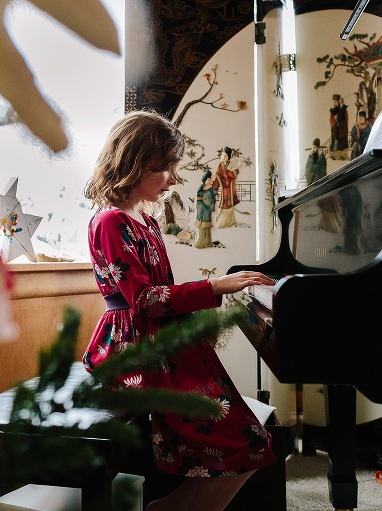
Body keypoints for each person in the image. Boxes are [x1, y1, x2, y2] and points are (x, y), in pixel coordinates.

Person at [82, 110, 277, 511]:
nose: (173, 179)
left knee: (251, 437)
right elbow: (144, 299)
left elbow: (160, 293)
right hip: (136, 347)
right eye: (165, 168)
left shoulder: (145, 220)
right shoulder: (111, 221)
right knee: (247, 439)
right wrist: (215, 286)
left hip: (161, 339)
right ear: (136, 163)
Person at [213, 146, 240, 228]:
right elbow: (218, 176)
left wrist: (229, 171)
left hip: (229, 188)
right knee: (223, 202)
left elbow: (233, 175)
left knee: (227, 203)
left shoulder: (231, 165)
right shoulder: (221, 165)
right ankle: (226, 221)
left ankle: (227, 222)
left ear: (229, 157)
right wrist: (214, 187)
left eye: (225, 156)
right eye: (222, 155)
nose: (223, 157)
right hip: (224, 187)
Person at [194, 170, 217, 248]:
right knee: (201, 226)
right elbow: (198, 198)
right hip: (200, 210)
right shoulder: (201, 188)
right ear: (205, 180)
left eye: (210, 179)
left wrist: (211, 206)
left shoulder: (211, 190)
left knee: (206, 226)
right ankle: (202, 240)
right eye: (209, 179)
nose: (210, 181)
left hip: (206, 210)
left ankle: (207, 241)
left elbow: (211, 200)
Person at [329, 94, 349, 160]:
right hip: (335, 131)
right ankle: (334, 156)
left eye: (336, 101)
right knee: (335, 144)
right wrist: (334, 122)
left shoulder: (344, 110)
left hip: (342, 131)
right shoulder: (332, 110)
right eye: (334, 101)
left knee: (342, 145)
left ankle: (342, 156)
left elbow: (346, 120)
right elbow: (331, 120)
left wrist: (339, 122)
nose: (335, 103)